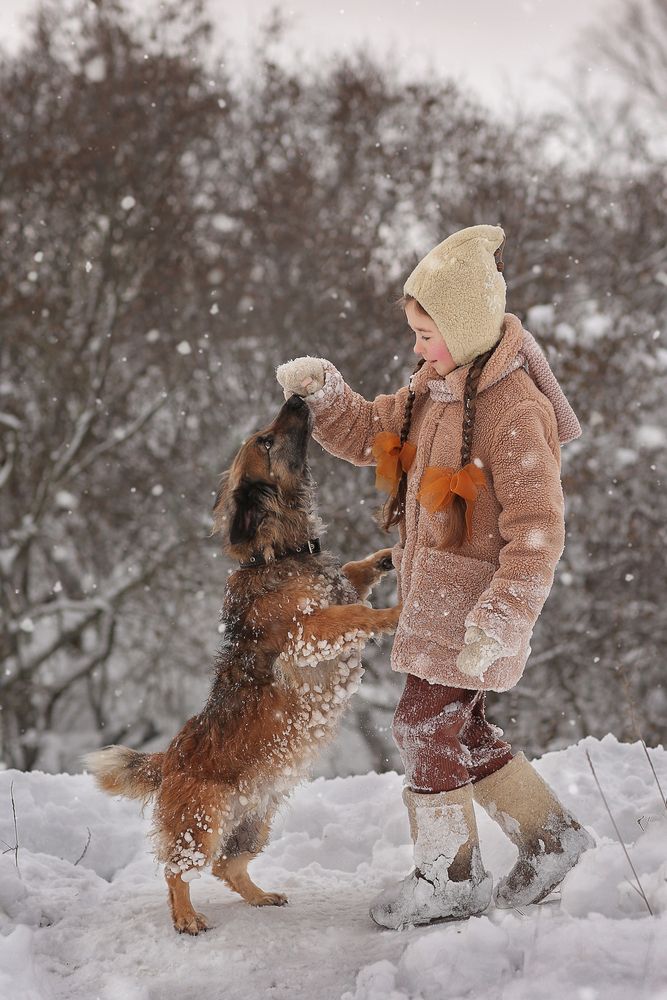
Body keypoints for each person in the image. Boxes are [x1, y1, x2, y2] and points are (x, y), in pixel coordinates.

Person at [276, 224, 594, 930]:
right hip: (435, 597)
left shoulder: (516, 411)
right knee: (458, 729)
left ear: (467, 326)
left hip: (475, 611)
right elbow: (371, 433)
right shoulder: (434, 391)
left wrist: (502, 616)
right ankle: (550, 837)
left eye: (427, 334)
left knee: (424, 724)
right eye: (415, 334)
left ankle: (450, 878)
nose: (418, 348)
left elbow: (537, 530)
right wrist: (325, 393)